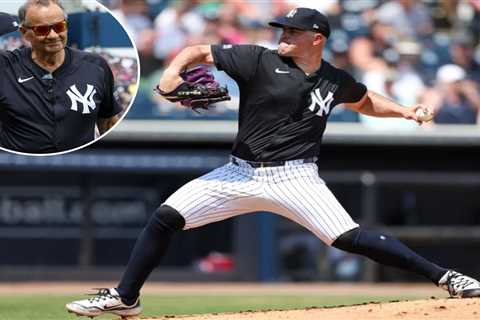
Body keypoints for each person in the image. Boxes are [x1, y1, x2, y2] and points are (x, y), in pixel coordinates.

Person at [66, 7, 480, 318]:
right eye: (282, 28)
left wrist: (406, 111)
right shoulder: (259, 60)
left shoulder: (333, 78)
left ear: (317, 38)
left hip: (296, 177)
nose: (284, 34)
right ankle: (126, 297)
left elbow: (364, 99)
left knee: (348, 238)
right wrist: (172, 75)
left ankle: (446, 276)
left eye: (293, 30)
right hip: (238, 172)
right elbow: (196, 50)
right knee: (166, 216)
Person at [0, 0, 122, 154]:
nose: (53, 35)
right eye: (42, 30)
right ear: (25, 33)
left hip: (80, 168)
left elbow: (108, 122)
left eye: (59, 27)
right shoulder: (5, 66)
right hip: (18, 167)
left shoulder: (95, 66)